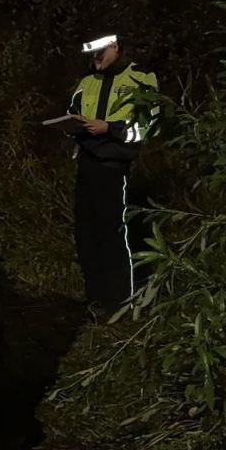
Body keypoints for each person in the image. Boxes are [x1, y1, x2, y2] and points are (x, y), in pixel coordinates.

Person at [68, 33, 160, 316]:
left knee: (114, 235)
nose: (95, 60)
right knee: (86, 234)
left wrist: (109, 128)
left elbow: (148, 125)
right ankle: (95, 300)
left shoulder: (141, 78)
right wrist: (72, 126)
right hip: (87, 165)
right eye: (91, 55)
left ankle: (120, 304)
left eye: (99, 53)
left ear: (115, 47)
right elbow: (72, 112)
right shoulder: (88, 81)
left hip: (115, 167)